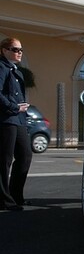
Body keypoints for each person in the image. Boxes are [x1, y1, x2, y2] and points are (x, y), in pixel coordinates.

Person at [0, 38, 33, 211]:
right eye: (15, 49)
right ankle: (4, 199)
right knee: (4, 160)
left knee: (26, 155)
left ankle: (16, 196)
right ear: (4, 51)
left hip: (19, 120)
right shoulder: (1, 67)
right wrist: (14, 107)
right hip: (6, 119)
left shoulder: (16, 71)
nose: (19, 52)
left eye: (21, 49)